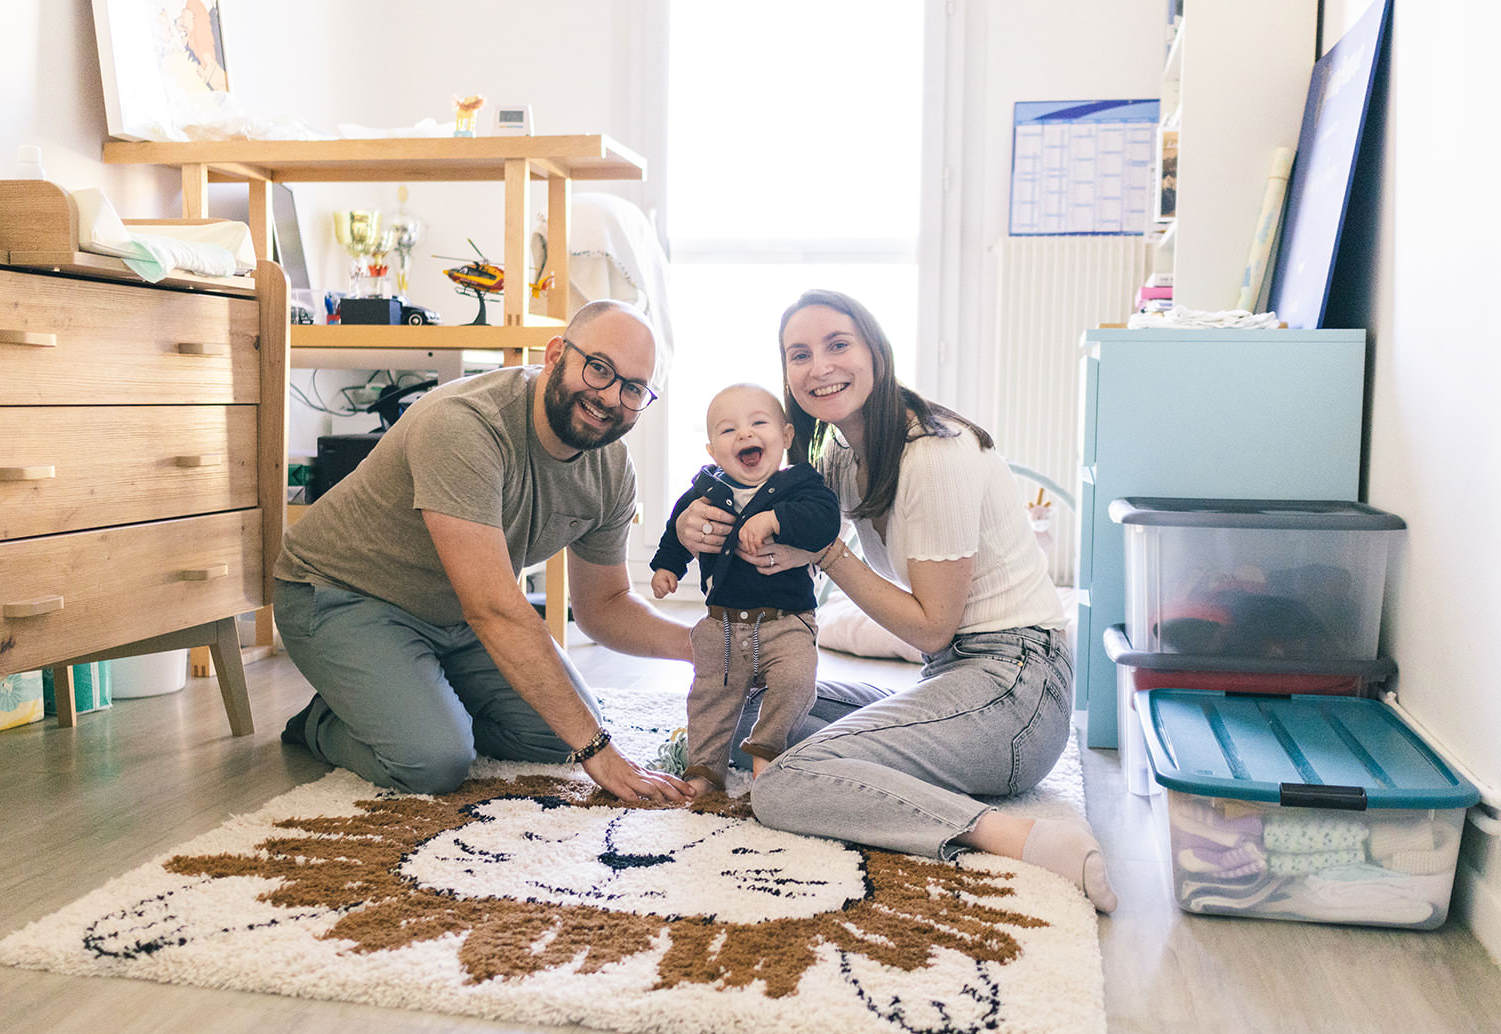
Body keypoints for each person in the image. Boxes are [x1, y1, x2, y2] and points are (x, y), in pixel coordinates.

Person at [674, 290, 1116, 913]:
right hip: (954, 680)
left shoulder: (934, 453)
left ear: (875, 351)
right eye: (799, 354)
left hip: (1017, 691)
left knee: (783, 784)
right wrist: (698, 525)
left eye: (838, 345)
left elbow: (932, 629)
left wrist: (825, 553)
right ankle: (869, 764)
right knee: (751, 712)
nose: (819, 366)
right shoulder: (839, 455)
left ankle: (1023, 837)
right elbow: (768, 522)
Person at [275, 300, 695, 805]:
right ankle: (325, 720)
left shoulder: (611, 468)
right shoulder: (465, 425)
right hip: (341, 595)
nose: (610, 397)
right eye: (599, 368)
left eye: (633, 388)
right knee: (434, 761)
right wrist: (599, 752)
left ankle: (410, 696)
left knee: (551, 736)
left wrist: (704, 646)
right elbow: (494, 608)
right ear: (556, 353)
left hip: (456, 613)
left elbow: (603, 606)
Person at [649, 384, 840, 796]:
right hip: (723, 624)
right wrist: (667, 565)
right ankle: (704, 770)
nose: (744, 434)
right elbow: (677, 527)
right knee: (710, 698)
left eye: (758, 423)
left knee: (795, 681)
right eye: (728, 429)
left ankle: (766, 751)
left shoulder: (800, 486)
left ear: (786, 437)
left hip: (786, 622)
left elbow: (824, 521)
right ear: (713, 451)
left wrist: (774, 519)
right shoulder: (706, 491)